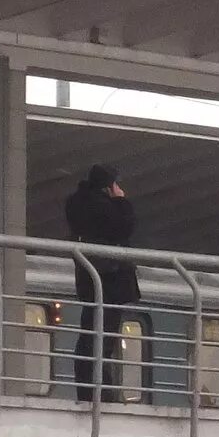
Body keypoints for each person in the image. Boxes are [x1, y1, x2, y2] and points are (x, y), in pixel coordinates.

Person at [64, 163, 140, 401]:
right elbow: (124, 227)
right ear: (108, 187)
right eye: (116, 184)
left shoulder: (78, 204)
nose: (120, 188)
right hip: (109, 280)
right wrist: (121, 201)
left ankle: (91, 390)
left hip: (92, 279)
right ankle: (100, 392)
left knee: (91, 335)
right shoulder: (104, 207)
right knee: (102, 340)